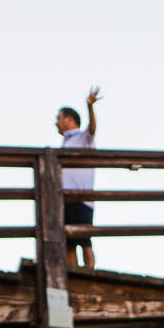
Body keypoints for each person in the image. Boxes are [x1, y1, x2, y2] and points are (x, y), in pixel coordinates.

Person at [54, 88, 101, 270]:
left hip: (82, 198)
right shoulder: (65, 142)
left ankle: (90, 275)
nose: (55, 122)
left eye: (58, 117)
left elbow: (92, 128)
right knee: (69, 242)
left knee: (85, 242)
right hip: (65, 198)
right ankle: (74, 276)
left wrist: (89, 107)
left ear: (69, 119)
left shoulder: (83, 138)